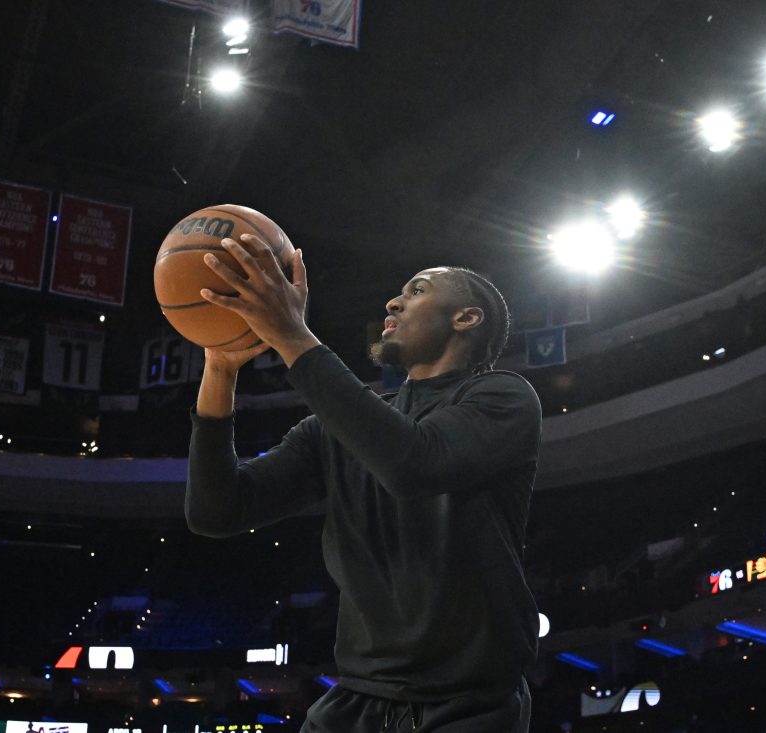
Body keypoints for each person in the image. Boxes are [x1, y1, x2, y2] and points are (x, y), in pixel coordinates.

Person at [185, 234, 542, 732]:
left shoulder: (503, 398)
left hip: (470, 704)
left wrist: (292, 334)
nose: (393, 301)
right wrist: (219, 369)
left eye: (417, 290)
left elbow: (413, 463)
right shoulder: (336, 430)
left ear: (466, 317)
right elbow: (216, 512)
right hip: (356, 698)